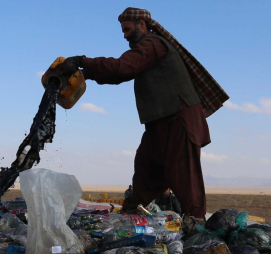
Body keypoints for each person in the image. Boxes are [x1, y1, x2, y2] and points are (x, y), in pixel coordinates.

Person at [58, 7, 228, 218]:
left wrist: (83, 61)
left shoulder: (153, 44)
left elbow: (122, 67)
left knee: (184, 177)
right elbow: (119, 74)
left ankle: (197, 226)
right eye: (122, 31)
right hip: (159, 124)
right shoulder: (148, 48)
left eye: (127, 29)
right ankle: (129, 215)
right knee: (146, 172)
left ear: (142, 24)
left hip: (178, 120)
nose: (125, 35)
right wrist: (84, 74)